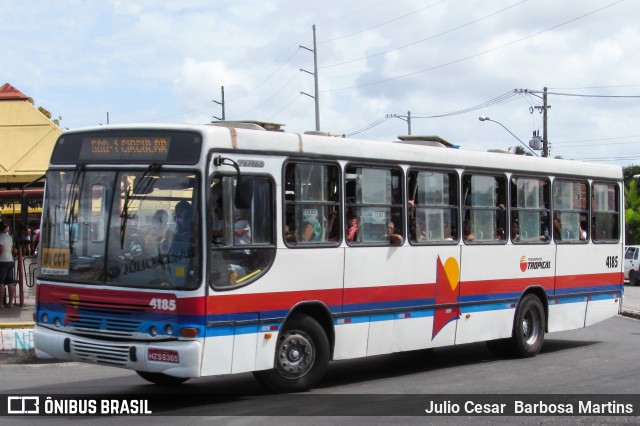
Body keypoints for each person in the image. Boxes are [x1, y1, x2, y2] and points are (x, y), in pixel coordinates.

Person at [0, 222, 15, 308]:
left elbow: (0, 250)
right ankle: (10, 303)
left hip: (2, 261)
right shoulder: (9, 237)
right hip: (10, 260)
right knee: (10, 282)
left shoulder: (0, 237)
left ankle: (1, 303)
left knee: (1, 283)